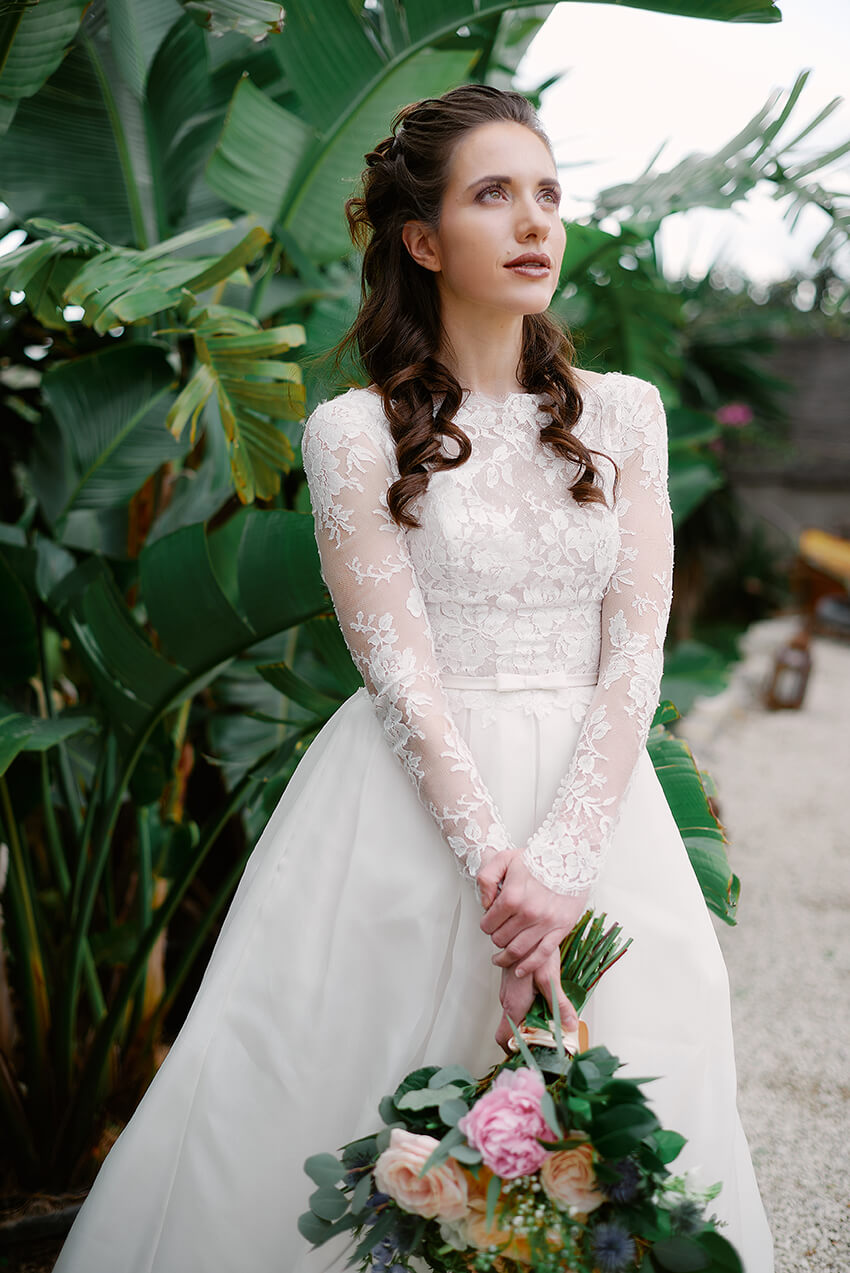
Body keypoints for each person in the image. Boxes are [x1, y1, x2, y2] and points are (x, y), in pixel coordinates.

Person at [53, 84, 774, 1273]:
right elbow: (402, 679)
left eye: (548, 193)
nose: (535, 221)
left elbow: (633, 656)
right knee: (355, 1105)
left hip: (598, 816)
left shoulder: (626, 418)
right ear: (423, 240)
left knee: (621, 1135)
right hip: (405, 814)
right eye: (494, 195)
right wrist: (503, 876)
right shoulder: (351, 433)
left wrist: (563, 873)